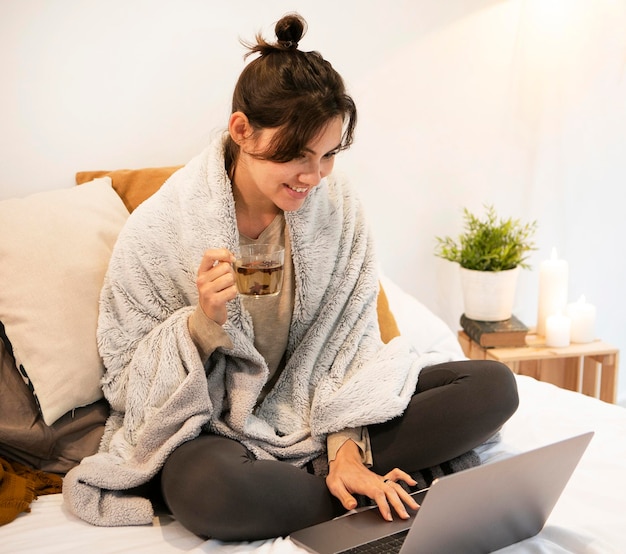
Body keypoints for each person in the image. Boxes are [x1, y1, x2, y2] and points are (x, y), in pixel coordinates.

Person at [63, 13, 519, 542]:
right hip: (217, 431)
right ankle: (373, 495)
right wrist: (199, 326)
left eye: (327, 155)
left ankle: (336, 480)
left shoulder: (339, 208)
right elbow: (125, 380)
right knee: (212, 491)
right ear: (242, 130)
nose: (314, 176)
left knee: (491, 388)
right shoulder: (159, 229)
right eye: (297, 156)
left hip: (322, 411)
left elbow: (350, 343)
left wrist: (345, 443)